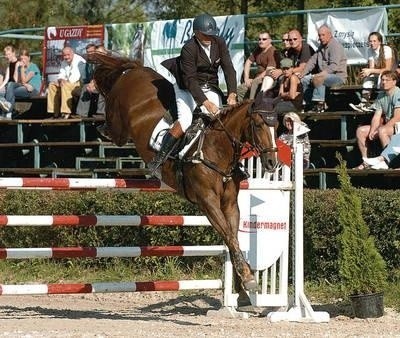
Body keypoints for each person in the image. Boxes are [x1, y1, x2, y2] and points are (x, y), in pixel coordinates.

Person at [149, 13, 237, 174]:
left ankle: (229, 162)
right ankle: (159, 158)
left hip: (210, 86)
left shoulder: (220, 42)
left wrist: (232, 93)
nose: (209, 37)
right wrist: (205, 102)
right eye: (205, 34)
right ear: (196, 32)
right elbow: (190, 80)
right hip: (186, 87)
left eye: (212, 34)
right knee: (185, 120)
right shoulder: (189, 48)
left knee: (218, 120)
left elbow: (229, 69)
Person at [354, 70, 400, 169]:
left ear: (394, 81)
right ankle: (366, 162)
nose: (384, 82)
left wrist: (380, 130)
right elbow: (377, 115)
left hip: (397, 126)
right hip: (388, 125)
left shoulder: (398, 93)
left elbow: (397, 117)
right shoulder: (381, 95)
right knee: (361, 131)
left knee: (383, 130)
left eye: (387, 80)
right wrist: (372, 130)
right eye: (382, 80)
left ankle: (389, 162)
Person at [298, 25, 347, 113]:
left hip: (338, 77)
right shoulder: (321, 47)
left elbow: (334, 66)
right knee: (304, 79)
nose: (320, 37)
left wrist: (320, 74)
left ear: (330, 35)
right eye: (319, 35)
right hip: (324, 76)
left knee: (319, 78)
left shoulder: (335, 46)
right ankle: (308, 104)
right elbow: (312, 61)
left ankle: (320, 105)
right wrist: (303, 73)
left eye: (323, 35)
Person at [350, 32, 395, 113]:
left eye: (374, 41)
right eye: (370, 41)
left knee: (381, 79)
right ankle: (364, 103)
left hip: (390, 74)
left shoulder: (386, 49)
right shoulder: (370, 50)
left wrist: (370, 71)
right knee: (368, 80)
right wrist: (366, 73)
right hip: (379, 73)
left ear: (380, 42)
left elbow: (388, 69)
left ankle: (377, 104)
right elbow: (372, 68)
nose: (372, 43)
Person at [236, 31, 280, 101]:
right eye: (259, 39)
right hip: (257, 78)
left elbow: (268, 71)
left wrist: (254, 80)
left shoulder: (272, 51)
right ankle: (243, 109)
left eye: (264, 39)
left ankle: (252, 105)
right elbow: (248, 62)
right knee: (240, 89)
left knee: (255, 84)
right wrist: (246, 79)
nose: (261, 41)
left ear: (270, 40)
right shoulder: (258, 50)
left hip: (267, 79)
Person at [0, 49, 42, 119]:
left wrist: (22, 69)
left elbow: (24, 80)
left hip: (33, 90)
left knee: (9, 91)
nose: (23, 61)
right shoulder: (20, 67)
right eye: (21, 59)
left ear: (29, 58)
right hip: (25, 88)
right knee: (10, 84)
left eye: (25, 59)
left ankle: (7, 112)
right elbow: (16, 81)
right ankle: (8, 110)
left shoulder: (33, 67)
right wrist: (16, 68)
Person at [47, 46, 86, 119]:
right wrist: (60, 80)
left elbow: (75, 77)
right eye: (64, 55)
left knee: (65, 85)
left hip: (79, 83)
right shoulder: (64, 62)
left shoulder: (79, 61)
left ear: (72, 53)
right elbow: (61, 74)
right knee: (52, 85)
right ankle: (54, 113)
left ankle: (66, 112)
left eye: (68, 55)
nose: (66, 57)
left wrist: (63, 82)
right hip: (68, 82)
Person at [75, 44, 106, 117]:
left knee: (102, 88)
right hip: (97, 83)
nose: (90, 54)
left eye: (92, 51)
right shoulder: (90, 63)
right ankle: (82, 114)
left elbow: (105, 75)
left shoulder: (105, 61)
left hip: (107, 83)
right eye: (88, 52)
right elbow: (88, 77)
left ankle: (101, 113)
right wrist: (92, 83)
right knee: (86, 87)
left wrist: (94, 83)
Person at [0, 45, 18, 117]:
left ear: (13, 53)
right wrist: (0, 87)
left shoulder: (18, 63)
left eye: (9, 54)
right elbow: (6, 79)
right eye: (6, 55)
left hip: (17, 85)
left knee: (10, 86)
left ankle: (8, 111)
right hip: (9, 85)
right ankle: (5, 109)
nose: (7, 56)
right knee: (2, 91)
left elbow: (16, 80)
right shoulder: (9, 65)